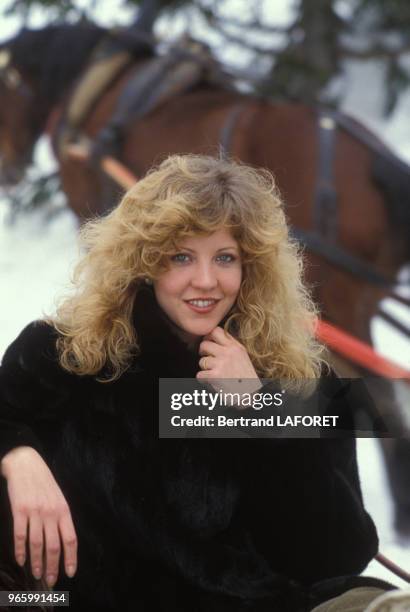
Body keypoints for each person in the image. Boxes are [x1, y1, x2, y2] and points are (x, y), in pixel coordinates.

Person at [0, 154, 401, 611]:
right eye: (182, 257)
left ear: (251, 268)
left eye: (225, 257)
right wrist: (16, 452)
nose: (206, 281)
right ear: (146, 261)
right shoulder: (65, 353)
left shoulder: (307, 380)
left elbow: (339, 557)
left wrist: (261, 411)